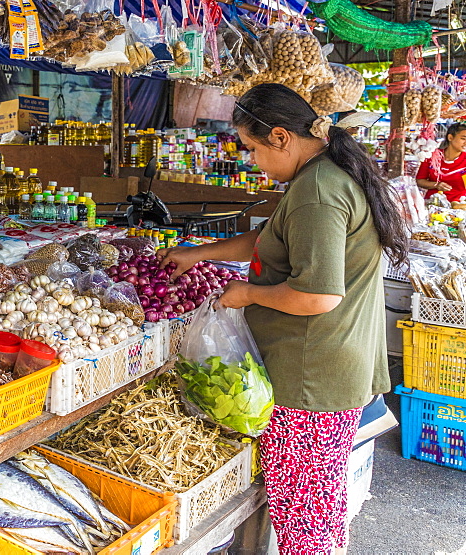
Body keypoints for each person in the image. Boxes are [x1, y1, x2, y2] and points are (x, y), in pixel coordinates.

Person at [158, 83, 407, 555]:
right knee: (319, 505)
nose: (252, 161)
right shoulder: (323, 175)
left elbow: (318, 296)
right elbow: (272, 239)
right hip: (327, 365)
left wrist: (246, 293)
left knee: (303, 517)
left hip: (311, 376)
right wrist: (199, 254)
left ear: (279, 137)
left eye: (252, 149)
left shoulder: (318, 191)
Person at [415, 122, 466, 202]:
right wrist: (436, 185)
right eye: (463, 139)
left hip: (459, 205)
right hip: (433, 204)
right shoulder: (431, 155)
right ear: (450, 137)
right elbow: (420, 180)